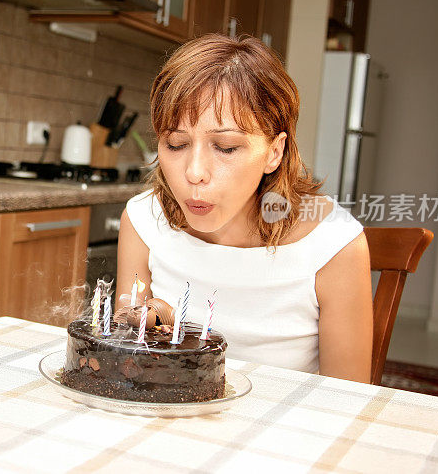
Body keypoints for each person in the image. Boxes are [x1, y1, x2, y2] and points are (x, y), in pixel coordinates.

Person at [116, 34, 372, 383]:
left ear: (274, 152)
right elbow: (128, 357)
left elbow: (346, 400)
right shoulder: (144, 219)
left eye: (225, 148)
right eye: (175, 144)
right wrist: (154, 318)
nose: (194, 173)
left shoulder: (335, 244)